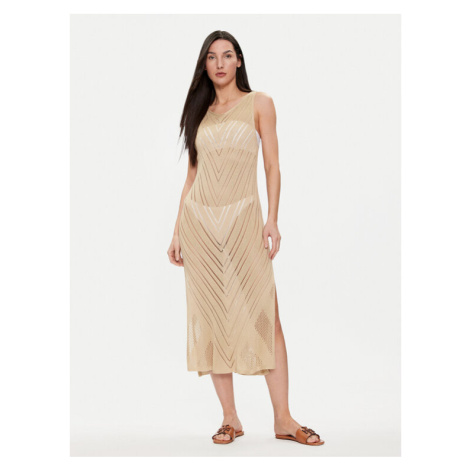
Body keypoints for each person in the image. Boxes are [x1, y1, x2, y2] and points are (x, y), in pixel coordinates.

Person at [168, 30, 324, 447]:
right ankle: (230, 418)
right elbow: (192, 176)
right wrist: (177, 230)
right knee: (213, 319)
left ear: (239, 61)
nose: (220, 63)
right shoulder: (200, 113)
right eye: (212, 57)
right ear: (204, 65)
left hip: (244, 223)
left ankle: (284, 418)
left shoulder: (260, 104)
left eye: (227, 55)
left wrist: (272, 219)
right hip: (200, 227)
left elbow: (272, 166)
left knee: (265, 317)